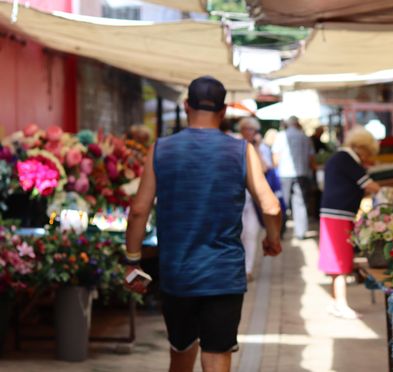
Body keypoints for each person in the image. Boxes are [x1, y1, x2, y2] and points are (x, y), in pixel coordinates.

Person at [124, 76, 282, 372]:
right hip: (224, 275)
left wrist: (132, 261)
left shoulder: (161, 149)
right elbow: (271, 205)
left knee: (181, 354)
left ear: (186, 106)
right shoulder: (241, 151)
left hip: (178, 275)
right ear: (223, 112)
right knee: (216, 357)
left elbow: (138, 210)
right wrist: (272, 239)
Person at [318, 127, 380, 319]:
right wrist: (384, 191)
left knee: (335, 261)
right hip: (339, 215)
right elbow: (369, 185)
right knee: (341, 261)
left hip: (333, 214)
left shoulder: (340, 158)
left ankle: (334, 302)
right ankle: (341, 305)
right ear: (362, 149)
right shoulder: (347, 159)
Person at [271, 116, 316, 240]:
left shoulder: (281, 136)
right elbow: (311, 158)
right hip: (302, 173)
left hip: (285, 174)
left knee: (283, 203)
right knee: (300, 202)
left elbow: (275, 158)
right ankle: (300, 232)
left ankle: (280, 231)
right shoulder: (304, 137)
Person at [237, 117, 265, 281]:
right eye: (246, 128)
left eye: (252, 130)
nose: (249, 132)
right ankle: (239, 266)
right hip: (238, 194)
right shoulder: (234, 145)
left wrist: (258, 147)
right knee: (238, 233)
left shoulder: (259, 148)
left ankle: (248, 269)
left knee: (251, 233)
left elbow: (264, 168)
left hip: (253, 197)